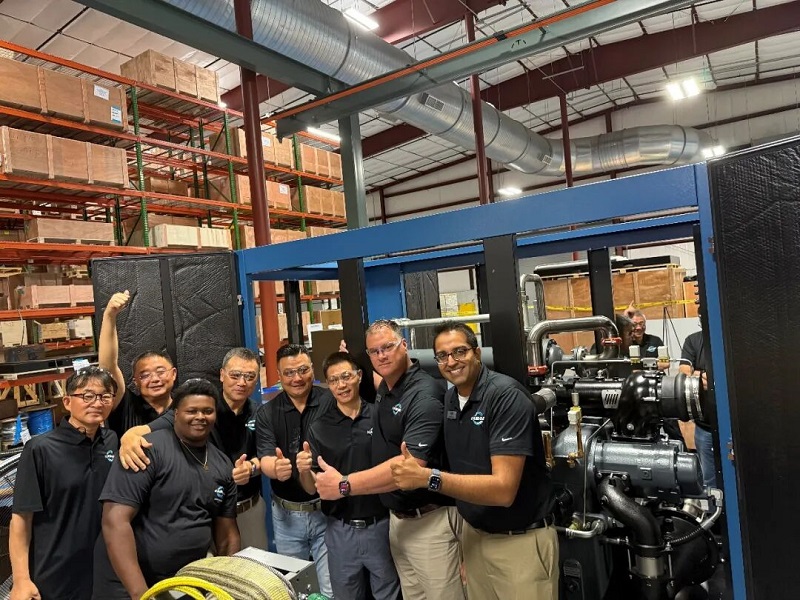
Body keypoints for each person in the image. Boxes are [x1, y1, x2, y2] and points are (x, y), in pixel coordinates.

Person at [391, 321, 558, 599]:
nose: (451, 361)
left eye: (460, 351)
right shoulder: (451, 400)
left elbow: (503, 491)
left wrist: (428, 478)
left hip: (519, 543)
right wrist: (467, 547)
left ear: (477, 353)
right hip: (475, 538)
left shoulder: (505, 397)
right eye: (442, 356)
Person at [315, 320, 464, 600]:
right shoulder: (388, 387)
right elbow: (376, 379)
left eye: (388, 347)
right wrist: (351, 359)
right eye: (374, 351)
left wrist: (344, 485)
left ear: (404, 345)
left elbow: (410, 468)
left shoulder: (424, 395)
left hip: (430, 522)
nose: (382, 356)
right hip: (399, 523)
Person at [93, 379, 240, 600]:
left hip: (186, 583)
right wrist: (141, 594)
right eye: (192, 411)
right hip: (131, 586)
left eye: (207, 411)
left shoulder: (222, 464)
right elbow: (115, 521)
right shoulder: (144, 451)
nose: (200, 417)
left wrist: (227, 586)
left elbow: (227, 534)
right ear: (175, 414)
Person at [115, 347, 267, 550]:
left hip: (248, 506)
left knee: (253, 564)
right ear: (222, 375)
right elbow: (147, 429)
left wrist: (251, 468)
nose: (242, 382)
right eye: (235, 375)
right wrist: (129, 437)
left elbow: (266, 455)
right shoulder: (202, 402)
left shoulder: (260, 412)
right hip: (205, 510)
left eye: (249, 376)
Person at [297, 352, 401, 600]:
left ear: (359, 376)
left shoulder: (381, 416)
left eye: (346, 377)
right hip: (340, 529)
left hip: (382, 525)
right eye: (334, 380)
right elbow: (311, 488)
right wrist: (303, 470)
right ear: (328, 385)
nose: (341, 385)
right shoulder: (319, 427)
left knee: (388, 594)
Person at [10, 367, 119, 600]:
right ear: (67, 402)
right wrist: (21, 580)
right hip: (56, 573)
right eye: (87, 396)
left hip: (104, 570)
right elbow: (21, 519)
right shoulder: (40, 449)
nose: (97, 403)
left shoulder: (112, 442)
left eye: (105, 396)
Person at [256, 344, 333, 598]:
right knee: (293, 589)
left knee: (331, 587)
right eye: (289, 373)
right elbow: (266, 457)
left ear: (312, 369)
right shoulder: (268, 412)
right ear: (279, 375)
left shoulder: (331, 401)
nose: (297, 378)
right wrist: (275, 469)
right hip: (286, 516)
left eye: (303, 370)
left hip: (327, 511)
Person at [98, 290, 177, 438]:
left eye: (160, 372)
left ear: (173, 374)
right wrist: (109, 315)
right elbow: (107, 367)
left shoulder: (184, 408)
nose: (155, 379)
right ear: (135, 382)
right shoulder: (127, 405)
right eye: (145, 375)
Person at [680, 329, 716, 488]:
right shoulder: (693, 340)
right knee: (709, 480)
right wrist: (702, 377)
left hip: (736, 427)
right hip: (705, 427)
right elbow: (684, 373)